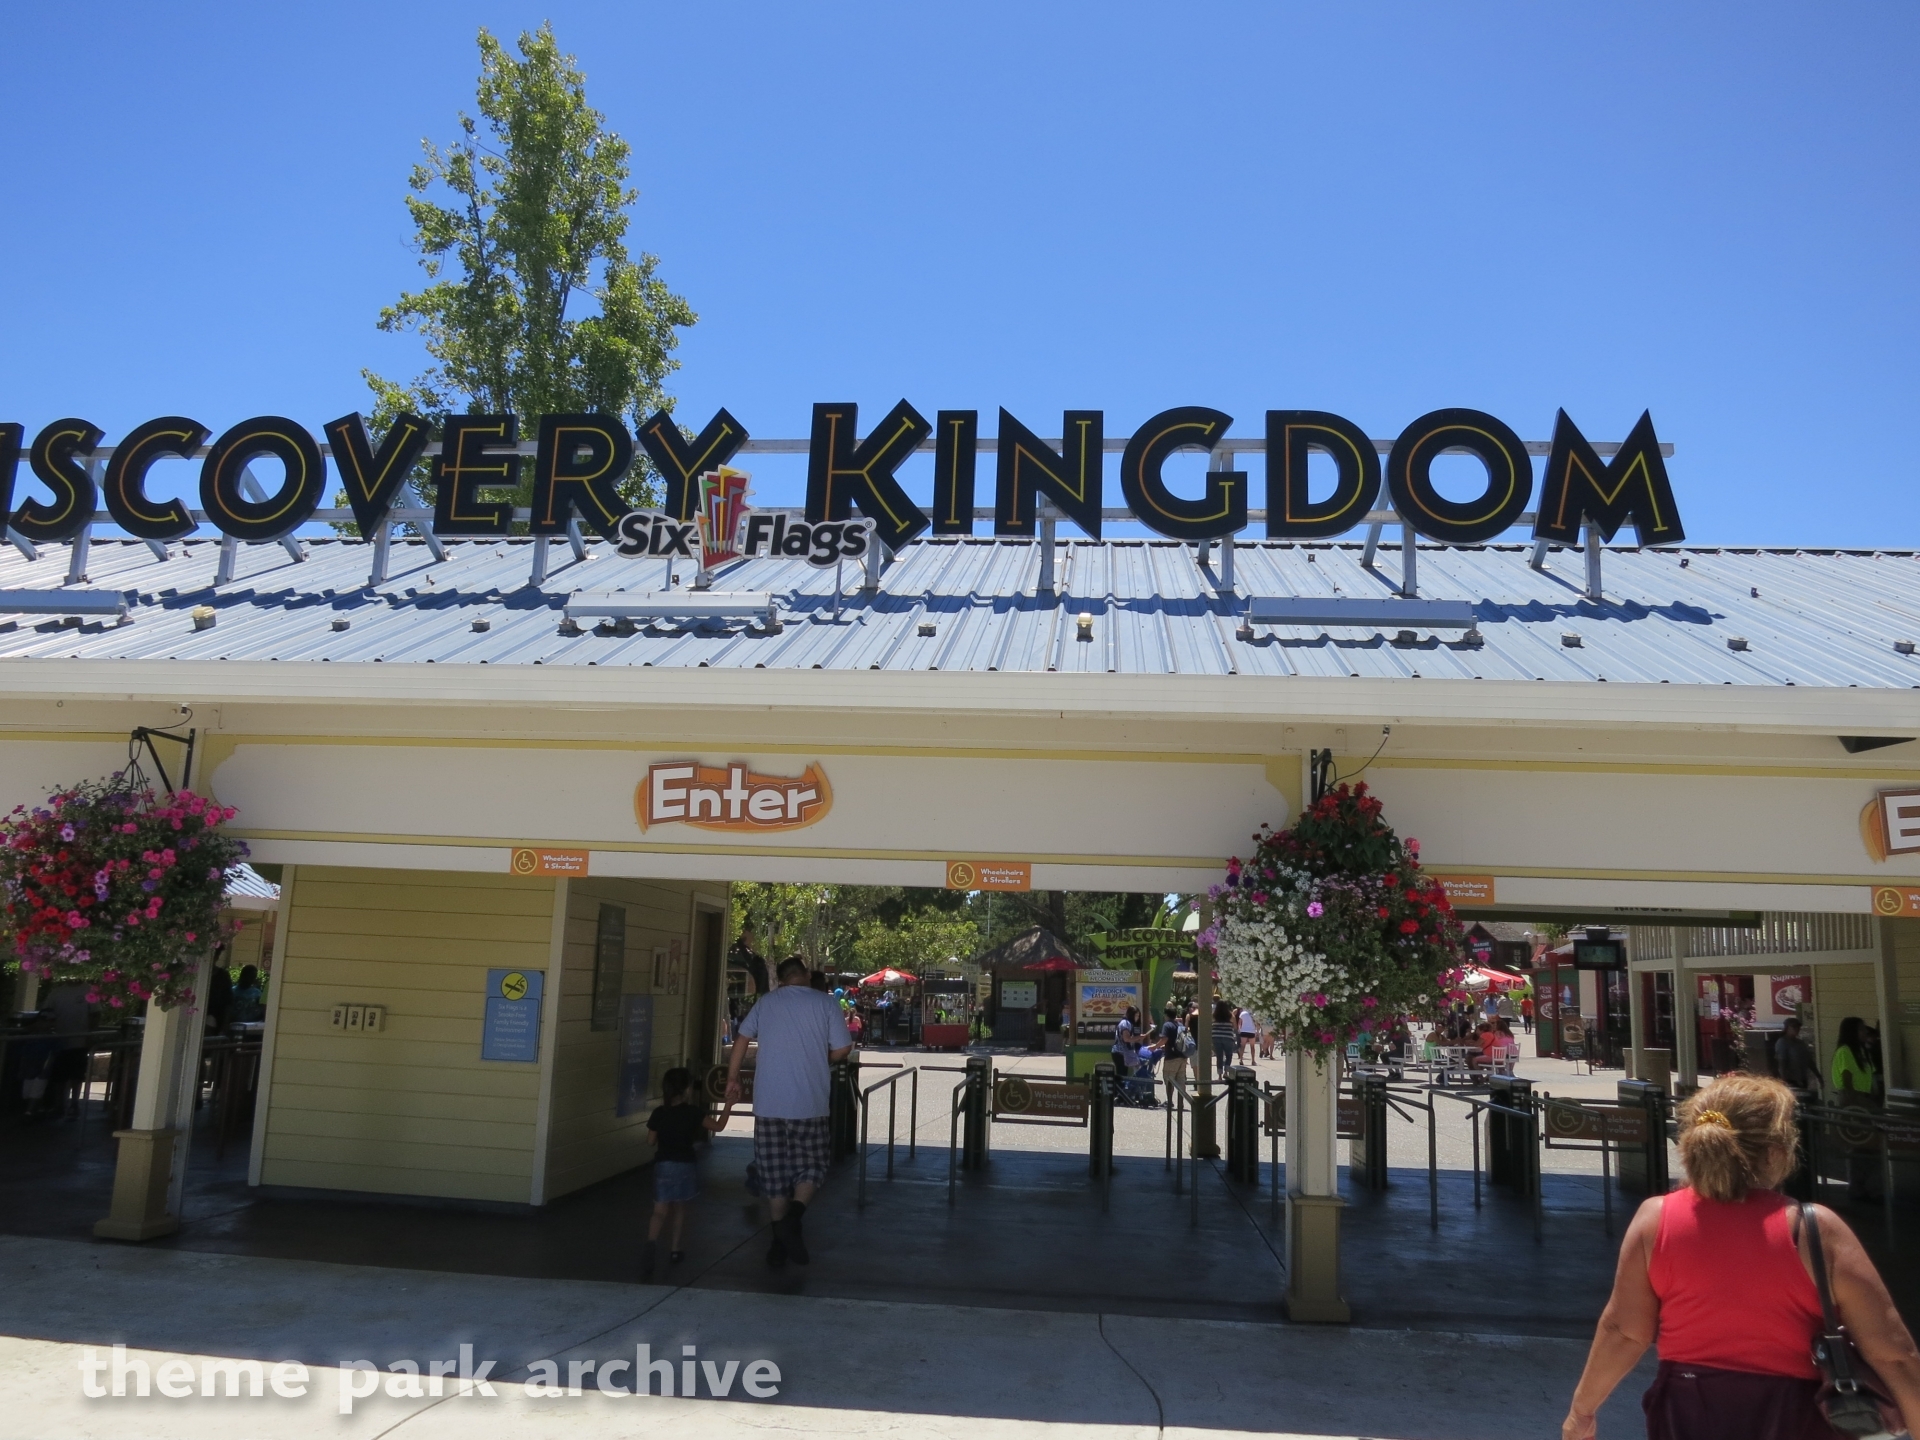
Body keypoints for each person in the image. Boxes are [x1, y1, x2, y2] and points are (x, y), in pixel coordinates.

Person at [1561, 1073, 1920, 1440]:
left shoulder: (1655, 1221)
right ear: (1775, 1152)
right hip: (1797, 1413)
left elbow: (1624, 1331)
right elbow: (1893, 1354)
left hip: (1686, 1409)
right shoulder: (1815, 1230)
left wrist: (1581, 1412)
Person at [726, 955, 851, 1268]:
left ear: (780, 979)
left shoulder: (767, 1003)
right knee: (812, 1166)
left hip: (768, 1103)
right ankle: (793, 1219)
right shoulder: (825, 1004)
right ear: (806, 975)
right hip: (809, 1103)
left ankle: (778, 1242)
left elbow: (742, 1038)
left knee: (775, 1175)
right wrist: (822, 1059)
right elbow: (842, 1048)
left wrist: (732, 1078)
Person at [642, 1066, 736, 1279]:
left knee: (659, 1210)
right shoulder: (694, 1113)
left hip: (663, 1165)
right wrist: (729, 1104)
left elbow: (650, 1142)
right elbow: (719, 1127)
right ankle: (675, 1250)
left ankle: (651, 1244)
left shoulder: (659, 1113)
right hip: (685, 1165)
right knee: (680, 1208)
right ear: (686, 1090)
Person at [1832, 1015, 1876, 1104]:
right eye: (1861, 1029)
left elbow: (1870, 1074)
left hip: (1865, 1095)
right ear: (1851, 1032)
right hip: (1852, 1096)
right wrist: (1852, 1099)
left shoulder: (1862, 1051)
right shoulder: (1845, 1051)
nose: (1865, 1032)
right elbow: (1846, 1076)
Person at [1771, 1017, 1817, 1093]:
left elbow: (1808, 1060)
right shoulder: (1782, 1042)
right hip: (1790, 1080)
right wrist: (1784, 1081)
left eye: (1798, 1027)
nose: (1797, 1029)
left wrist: (1818, 1075)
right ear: (1787, 1028)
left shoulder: (1800, 1043)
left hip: (1802, 1078)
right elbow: (1781, 1063)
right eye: (1794, 1027)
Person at [1158, 1004, 1188, 1104]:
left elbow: (1164, 1039)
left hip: (1171, 1057)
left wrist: (1155, 1046)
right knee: (1181, 1080)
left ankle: (1169, 1101)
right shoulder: (1180, 1025)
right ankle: (1181, 1102)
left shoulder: (1167, 1025)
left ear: (1166, 1015)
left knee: (1169, 1079)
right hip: (1182, 1056)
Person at [1111, 1006, 1141, 1078]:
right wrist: (1139, 1037)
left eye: (1138, 1016)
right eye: (1136, 1015)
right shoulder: (1126, 1023)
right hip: (1120, 1053)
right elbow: (1126, 1039)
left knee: (1123, 1073)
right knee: (1122, 1074)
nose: (1137, 1018)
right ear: (1131, 1015)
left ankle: (1120, 1087)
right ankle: (1119, 1088)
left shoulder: (1126, 1023)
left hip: (1122, 1053)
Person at [1211, 1000, 1235, 1080]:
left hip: (1216, 1037)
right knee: (1229, 1055)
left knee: (1219, 1056)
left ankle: (1219, 1076)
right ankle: (1226, 1072)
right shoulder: (1230, 1015)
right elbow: (1235, 1027)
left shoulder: (1214, 1015)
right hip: (1228, 1037)